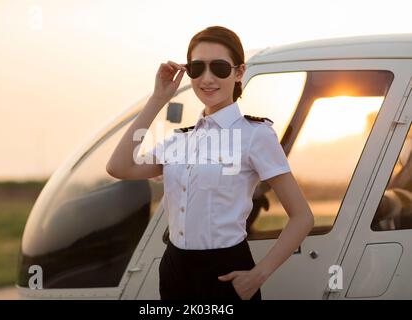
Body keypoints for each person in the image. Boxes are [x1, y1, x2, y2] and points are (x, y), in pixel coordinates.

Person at [106, 26, 314, 300]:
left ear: (239, 72)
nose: (207, 78)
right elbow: (119, 167)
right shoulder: (178, 140)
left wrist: (258, 274)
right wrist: (158, 98)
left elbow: (302, 217)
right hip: (174, 269)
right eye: (196, 68)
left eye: (219, 67)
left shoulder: (255, 135)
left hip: (224, 272)